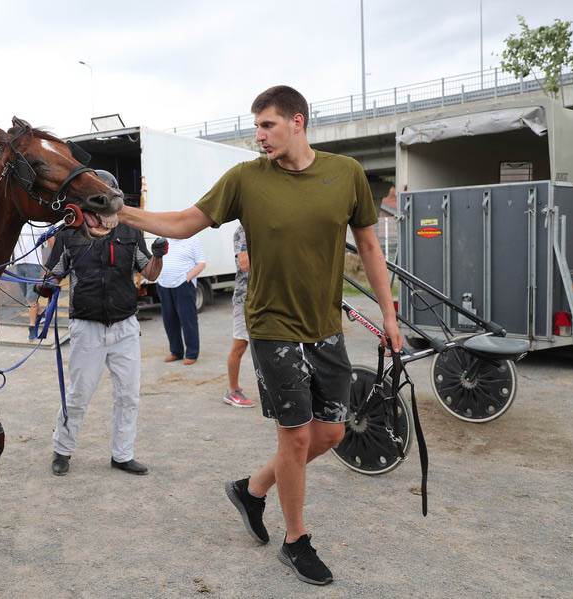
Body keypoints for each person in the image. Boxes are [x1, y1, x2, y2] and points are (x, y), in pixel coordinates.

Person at [117, 86, 402, 586]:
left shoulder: (346, 174)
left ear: (298, 121)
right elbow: (185, 222)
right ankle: (296, 541)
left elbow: (371, 248)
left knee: (332, 433)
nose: (259, 136)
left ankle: (251, 489)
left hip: (325, 328)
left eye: (267, 125)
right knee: (294, 438)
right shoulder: (246, 179)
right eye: (256, 127)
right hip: (271, 328)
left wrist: (390, 315)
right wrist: (121, 213)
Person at [40, 170, 166, 477]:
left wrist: (160, 256)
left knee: (128, 394)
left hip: (125, 325)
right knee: (79, 393)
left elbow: (149, 273)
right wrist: (49, 284)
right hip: (86, 326)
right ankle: (63, 450)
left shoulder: (129, 232)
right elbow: (54, 272)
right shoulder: (70, 232)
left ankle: (122, 455)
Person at [155, 235, 205, 365]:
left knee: (188, 320)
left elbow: (201, 263)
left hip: (183, 285)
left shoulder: (192, 240)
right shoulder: (164, 240)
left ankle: (192, 353)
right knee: (169, 321)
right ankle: (176, 352)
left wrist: (187, 277)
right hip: (163, 284)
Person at [223, 224, 254, 408]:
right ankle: (233, 391)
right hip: (246, 298)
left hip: (268, 297)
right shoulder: (243, 230)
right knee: (240, 346)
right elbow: (244, 264)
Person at [12, 223, 52, 340]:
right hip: (19, 265)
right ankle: (41, 313)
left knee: (31, 298)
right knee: (27, 297)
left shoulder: (39, 223)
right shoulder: (18, 223)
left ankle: (32, 328)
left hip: (34, 265)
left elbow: (50, 239)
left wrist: (53, 264)